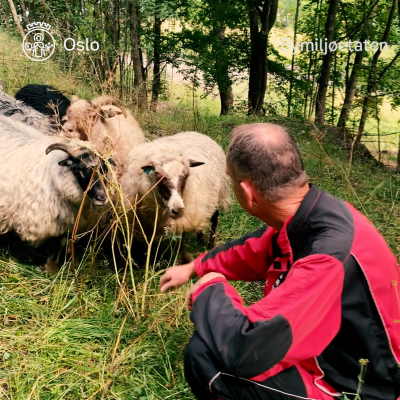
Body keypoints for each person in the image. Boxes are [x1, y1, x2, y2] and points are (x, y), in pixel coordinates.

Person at [160, 123, 400, 400]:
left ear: (247, 193)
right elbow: (253, 249)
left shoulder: (327, 256)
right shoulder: (318, 214)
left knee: (206, 358)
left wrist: (210, 288)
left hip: (354, 384)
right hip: (334, 353)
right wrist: (195, 267)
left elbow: (246, 349)